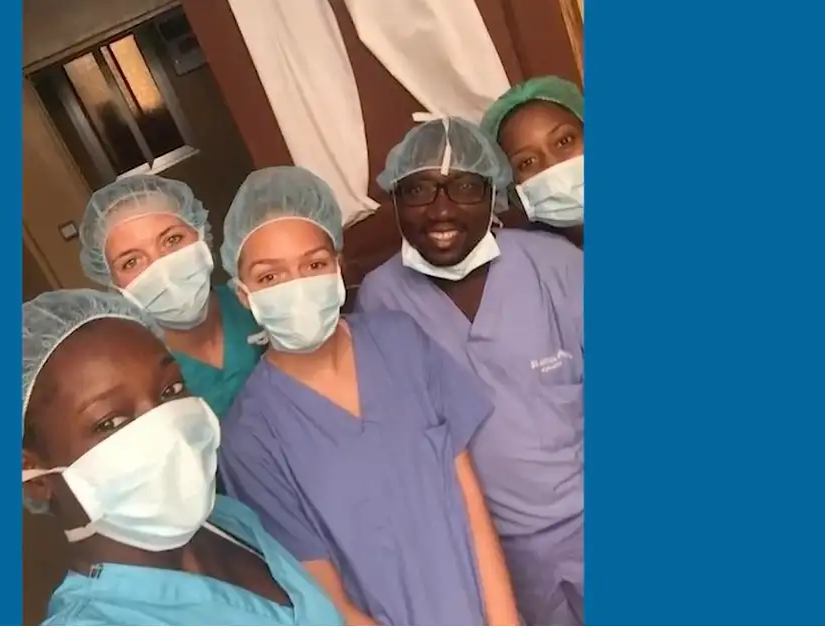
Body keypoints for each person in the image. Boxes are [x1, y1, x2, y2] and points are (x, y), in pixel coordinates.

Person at [216, 166, 520, 626]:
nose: (296, 286)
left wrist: (505, 621)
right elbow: (328, 600)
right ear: (243, 296)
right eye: (270, 277)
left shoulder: (400, 341)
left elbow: (470, 504)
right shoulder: (250, 437)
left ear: (338, 267)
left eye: (313, 265)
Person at [357, 116, 584, 626]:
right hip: (493, 550)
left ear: (494, 193)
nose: (441, 209)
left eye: (464, 187)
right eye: (418, 190)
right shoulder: (381, 298)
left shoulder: (556, 266)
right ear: (394, 199)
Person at [21, 288, 344, 626]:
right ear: (35, 476)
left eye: (171, 389)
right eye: (110, 422)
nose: (168, 426)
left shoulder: (227, 520)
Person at [79, 174, 263, 420]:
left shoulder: (258, 302)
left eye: (172, 240)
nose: (162, 268)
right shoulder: (133, 368)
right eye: (131, 261)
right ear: (113, 284)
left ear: (201, 236)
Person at [481, 76, 585, 249]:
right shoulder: (530, 265)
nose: (553, 165)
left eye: (564, 141)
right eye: (527, 162)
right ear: (512, 189)